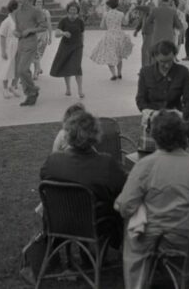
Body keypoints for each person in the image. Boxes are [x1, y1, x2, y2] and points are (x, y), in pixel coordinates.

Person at [115, 110, 189, 289]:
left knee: (131, 234)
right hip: (183, 234)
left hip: (149, 234)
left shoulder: (145, 165)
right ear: (183, 134)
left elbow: (126, 206)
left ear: (155, 136)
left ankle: (136, 284)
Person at [40, 111, 127, 260]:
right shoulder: (105, 163)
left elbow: (44, 181)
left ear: (68, 134)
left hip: (58, 222)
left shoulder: (52, 161)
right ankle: (121, 250)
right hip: (95, 224)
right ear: (96, 135)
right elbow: (125, 187)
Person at [136, 40, 189, 119]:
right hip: (153, 117)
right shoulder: (145, 72)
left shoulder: (183, 71)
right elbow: (140, 99)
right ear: (155, 57)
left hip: (176, 118)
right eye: (162, 62)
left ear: (174, 55)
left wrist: (183, 114)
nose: (167, 65)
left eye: (170, 61)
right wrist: (151, 113)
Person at [13, 0, 48, 106]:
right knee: (21, 70)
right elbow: (18, 29)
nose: (18, 0)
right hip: (21, 43)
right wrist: (16, 32)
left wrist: (30, 30)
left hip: (31, 42)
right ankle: (31, 94)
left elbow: (44, 27)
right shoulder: (17, 13)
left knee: (22, 69)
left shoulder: (35, 11)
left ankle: (32, 91)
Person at [90, 0, 133, 80]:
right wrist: (128, 13)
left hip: (109, 36)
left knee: (109, 55)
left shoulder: (106, 14)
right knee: (119, 55)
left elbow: (102, 26)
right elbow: (125, 23)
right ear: (117, 4)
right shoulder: (121, 14)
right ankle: (119, 73)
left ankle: (113, 74)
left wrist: (105, 19)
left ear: (109, 5)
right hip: (119, 35)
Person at [50, 0, 85, 98]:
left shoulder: (80, 21)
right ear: (68, 10)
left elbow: (82, 34)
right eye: (71, 9)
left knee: (77, 67)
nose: (73, 11)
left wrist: (82, 45)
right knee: (66, 67)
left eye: (75, 10)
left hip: (77, 47)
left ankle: (80, 90)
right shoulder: (63, 21)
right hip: (65, 47)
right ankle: (68, 89)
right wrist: (63, 33)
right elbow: (56, 34)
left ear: (77, 11)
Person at [0, 0, 21, 99]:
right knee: (7, 67)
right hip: (10, 46)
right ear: (14, 8)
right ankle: (5, 89)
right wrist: (3, 51)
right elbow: (2, 36)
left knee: (19, 67)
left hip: (20, 45)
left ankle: (13, 86)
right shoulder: (6, 21)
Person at [31, 0, 53, 80]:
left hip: (43, 35)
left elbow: (49, 25)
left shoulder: (46, 12)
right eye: (37, 2)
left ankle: (36, 71)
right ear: (34, 3)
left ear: (43, 3)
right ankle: (37, 70)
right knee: (34, 53)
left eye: (40, 2)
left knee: (38, 53)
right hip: (34, 35)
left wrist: (50, 37)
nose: (39, 3)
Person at [132, 0, 155, 67]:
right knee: (148, 50)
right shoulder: (144, 4)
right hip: (145, 31)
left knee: (145, 50)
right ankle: (150, 69)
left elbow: (148, 9)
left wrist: (136, 6)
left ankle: (145, 69)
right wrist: (137, 29)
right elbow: (142, 18)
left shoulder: (151, 4)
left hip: (150, 31)